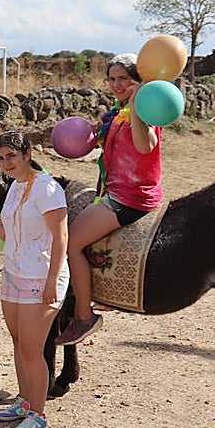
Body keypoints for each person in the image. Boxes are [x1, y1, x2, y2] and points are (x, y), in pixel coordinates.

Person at [0, 131, 69, 428]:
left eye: (11, 155)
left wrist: (52, 279)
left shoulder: (47, 189)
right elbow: (4, 230)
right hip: (14, 274)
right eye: (1, 158)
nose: (6, 162)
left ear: (27, 153)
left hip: (41, 278)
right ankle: (25, 402)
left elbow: (61, 236)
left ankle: (39, 414)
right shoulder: (14, 187)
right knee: (19, 343)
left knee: (32, 349)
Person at [58, 54, 162, 346]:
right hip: (115, 191)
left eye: (124, 79)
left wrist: (138, 106)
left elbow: (146, 145)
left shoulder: (145, 111)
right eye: (112, 79)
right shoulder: (120, 111)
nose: (117, 85)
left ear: (138, 81)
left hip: (129, 197)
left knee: (70, 243)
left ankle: (83, 317)